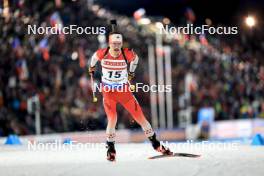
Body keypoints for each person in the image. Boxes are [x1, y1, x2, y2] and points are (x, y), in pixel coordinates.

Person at [89, 32, 172, 161]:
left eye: (119, 44)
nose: (116, 47)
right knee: (112, 119)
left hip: (124, 92)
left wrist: (131, 71)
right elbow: (94, 57)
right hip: (108, 92)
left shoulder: (126, 53)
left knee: (140, 118)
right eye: (114, 44)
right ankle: (110, 149)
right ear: (109, 44)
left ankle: (156, 144)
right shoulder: (103, 53)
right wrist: (92, 67)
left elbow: (136, 59)